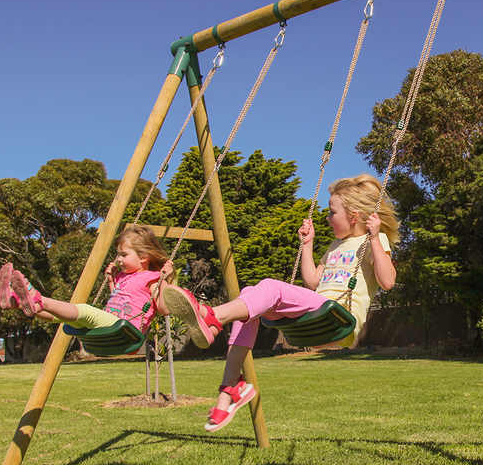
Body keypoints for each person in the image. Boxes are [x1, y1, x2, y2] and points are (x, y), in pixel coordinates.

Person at [162, 174, 400, 433]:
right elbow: (312, 281)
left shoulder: (372, 242)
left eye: (332, 212)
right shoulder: (334, 246)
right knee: (250, 298)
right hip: (318, 315)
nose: (328, 218)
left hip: (338, 318)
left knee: (269, 287)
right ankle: (230, 390)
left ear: (353, 216)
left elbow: (387, 281)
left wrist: (376, 238)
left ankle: (211, 317)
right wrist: (306, 245)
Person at [0, 224, 177, 335]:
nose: (118, 259)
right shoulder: (123, 276)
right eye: (117, 254)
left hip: (126, 331)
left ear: (144, 256)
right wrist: (111, 281)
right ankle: (18, 302)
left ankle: (36, 297)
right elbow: (119, 299)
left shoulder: (153, 278)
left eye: (123, 254)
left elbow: (164, 309)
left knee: (83, 309)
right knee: (59, 315)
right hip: (110, 322)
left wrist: (165, 280)